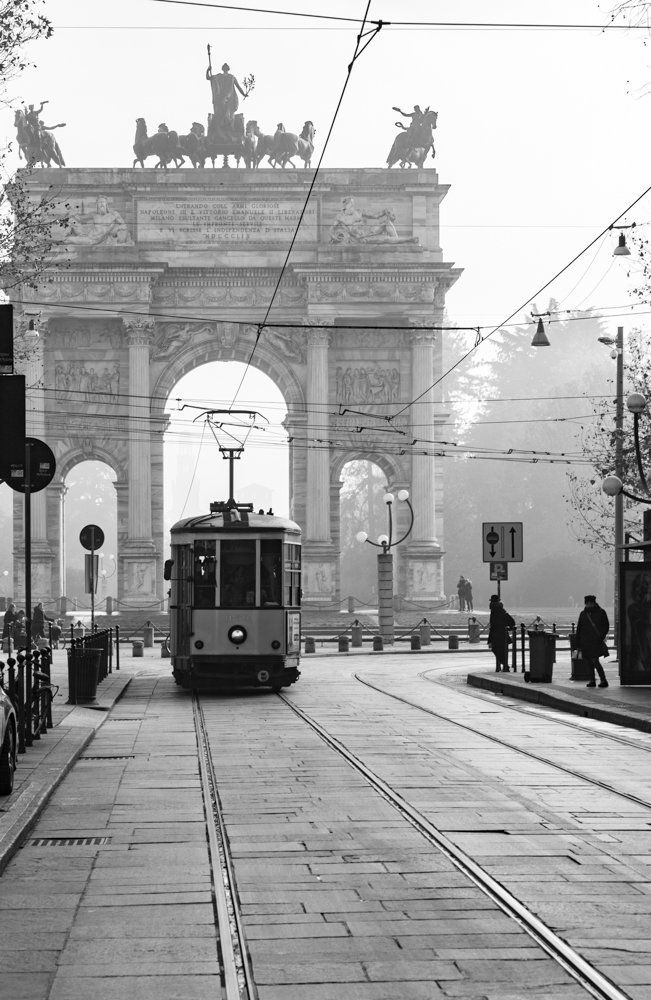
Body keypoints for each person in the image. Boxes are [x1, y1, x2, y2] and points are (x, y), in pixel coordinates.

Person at [575, 594, 610, 688]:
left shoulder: (601, 612)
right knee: (588, 662)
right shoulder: (583, 614)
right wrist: (578, 642)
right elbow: (579, 628)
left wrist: (601, 637)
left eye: (590, 603)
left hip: (596, 641)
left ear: (593, 603)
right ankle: (592, 680)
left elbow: (605, 626)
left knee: (595, 661)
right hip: (585, 642)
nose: (588, 605)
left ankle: (603, 680)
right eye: (587, 603)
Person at [488, 598, 515, 672]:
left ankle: (505, 665)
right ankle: (504, 665)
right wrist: (509, 627)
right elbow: (512, 621)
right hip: (502, 634)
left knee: (496, 650)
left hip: (496, 634)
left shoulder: (494, 610)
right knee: (501, 651)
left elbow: (493, 625)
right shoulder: (501, 610)